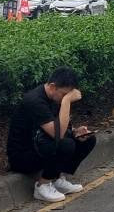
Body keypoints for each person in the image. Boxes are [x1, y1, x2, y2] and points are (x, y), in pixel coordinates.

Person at [7, 67, 97, 203]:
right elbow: (57, 134)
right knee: (66, 144)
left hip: (41, 144)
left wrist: (75, 132)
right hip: (22, 156)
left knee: (87, 140)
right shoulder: (34, 101)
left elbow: (60, 128)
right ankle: (42, 186)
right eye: (64, 94)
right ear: (52, 87)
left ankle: (57, 178)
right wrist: (67, 101)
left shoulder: (54, 98)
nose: (64, 98)